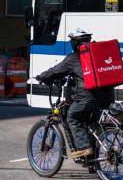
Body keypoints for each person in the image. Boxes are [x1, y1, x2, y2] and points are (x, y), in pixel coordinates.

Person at [36, 29, 114, 158]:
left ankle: (84, 147)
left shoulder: (73, 58)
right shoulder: (97, 54)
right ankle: (92, 160)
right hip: (108, 96)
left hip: (89, 97)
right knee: (91, 123)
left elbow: (55, 71)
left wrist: (42, 77)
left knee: (72, 116)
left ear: (75, 43)